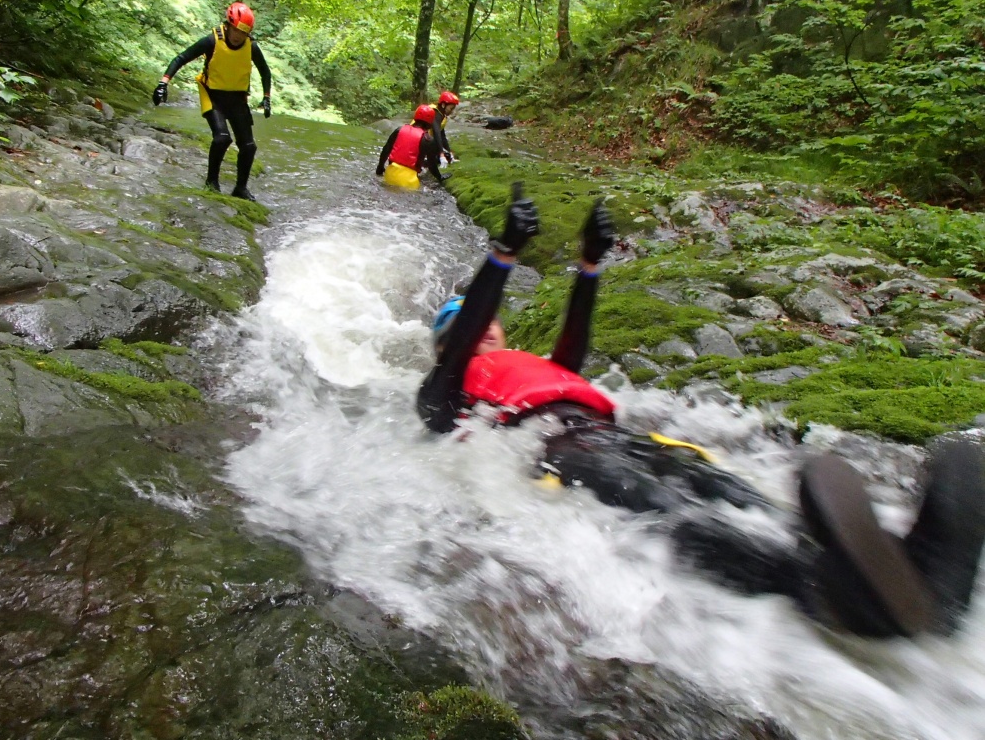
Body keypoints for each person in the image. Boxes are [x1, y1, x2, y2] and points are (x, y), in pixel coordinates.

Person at [417, 182, 985, 639]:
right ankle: (814, 590)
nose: (484, 325)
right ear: (446, 345)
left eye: (488, 319)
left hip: (611, 434)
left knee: (726, 488)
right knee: (666, 507)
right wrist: (503, 256)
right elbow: (466, 332)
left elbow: (572, 355)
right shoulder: (441, 391)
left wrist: (590, 266)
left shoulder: (530, 363)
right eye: (462, 323)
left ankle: (898, 570)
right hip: (547, 449)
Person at [152, 1, 271, 201]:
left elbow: (265, 73)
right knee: (222, 138)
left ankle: (240, 188)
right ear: (229, 24)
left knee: (249, 146)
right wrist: (164, 82)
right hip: (212, 95)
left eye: (244, 33)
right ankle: (211, 182)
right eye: (236, 31)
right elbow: (181, 58)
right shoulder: (212, 40)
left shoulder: (252, 47)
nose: (239, 36)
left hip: (237, 98)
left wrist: (266, 98)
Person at [376, 104, 447, 190]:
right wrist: (440, 177)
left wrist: (380, 168)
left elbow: (386, 150)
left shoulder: (399, 129)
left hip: (389, 175)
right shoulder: (428, 139)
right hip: (409, 182)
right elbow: (431, 165)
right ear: (430, 123)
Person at [433, 91, 459, 164]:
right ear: (443, 105)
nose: (452, 111)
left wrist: (449, 151)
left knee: (447, 156)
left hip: (426, 141)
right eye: (451, 108)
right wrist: (441, 154)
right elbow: (436, 133)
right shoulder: (435, 113)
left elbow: (442, 136)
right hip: (417, 142)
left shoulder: (441, 115)